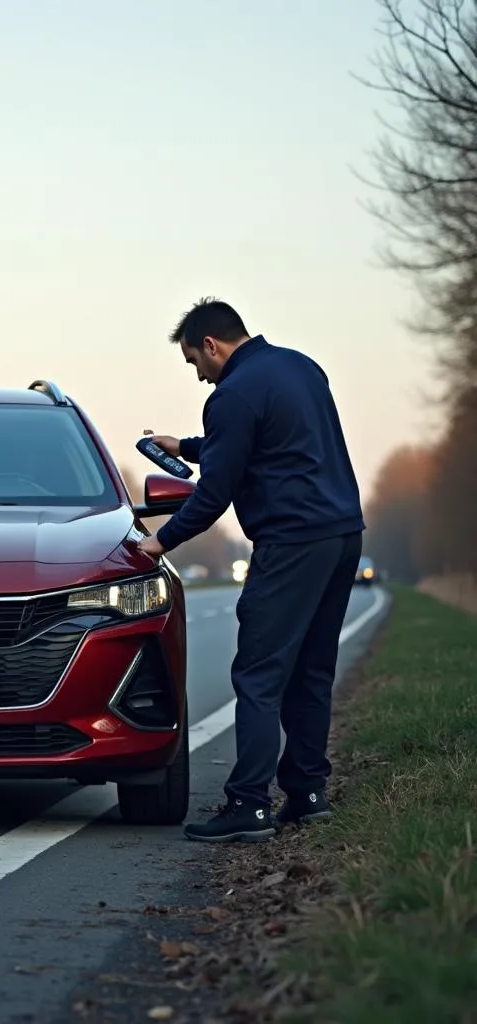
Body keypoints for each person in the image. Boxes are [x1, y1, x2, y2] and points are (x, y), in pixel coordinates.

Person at [136, 298, 364, 843]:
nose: (200, 377)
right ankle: (308, 795)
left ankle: (250, 805)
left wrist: (160, 542)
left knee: (259, 676)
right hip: (342, 536)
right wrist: (184, 446)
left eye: (196, 363)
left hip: (290, 543)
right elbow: (267, 441)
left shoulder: (231, 395)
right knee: (311, 670)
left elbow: (216, 490)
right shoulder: (300, 366)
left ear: (210, 345)